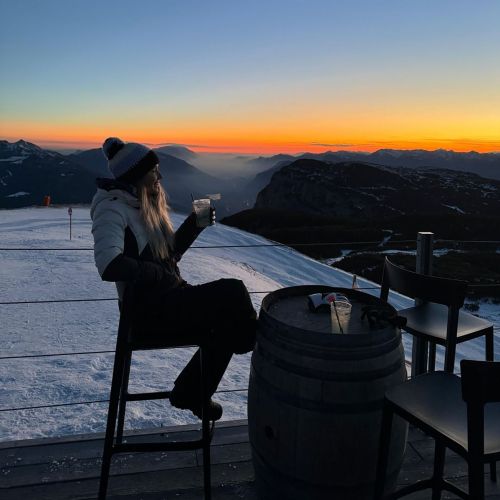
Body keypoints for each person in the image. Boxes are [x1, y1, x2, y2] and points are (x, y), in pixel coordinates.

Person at [90, 137, 257, 421]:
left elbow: (168, 257)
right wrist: (155, 273)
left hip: (167, 300)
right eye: (154, 171)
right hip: (147, 313)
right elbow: (109, 265)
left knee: (227, 319)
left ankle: (192, 391)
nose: (160, 177)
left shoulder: (140, 205)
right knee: (234, 292)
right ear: (137, 175)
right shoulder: (112, 208)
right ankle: (244, 349)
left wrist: (194, 225)